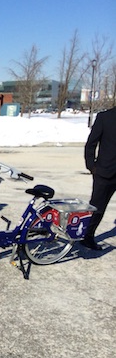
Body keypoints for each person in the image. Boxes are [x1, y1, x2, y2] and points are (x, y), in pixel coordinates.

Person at [81, 106, 116, 250]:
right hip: (105, 172)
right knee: (97, 207)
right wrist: (92, 166)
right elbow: (91, 144)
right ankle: (87, 236)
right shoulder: (105, 117)